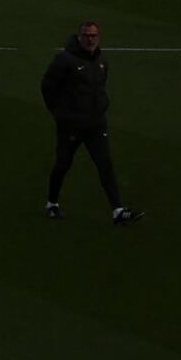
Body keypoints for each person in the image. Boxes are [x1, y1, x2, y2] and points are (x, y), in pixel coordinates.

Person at [41, 21, 131, 221]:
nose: (90, 39)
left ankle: (118, 210)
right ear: (79, 37)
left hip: (96, 123)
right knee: (63, 163)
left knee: (104, 163)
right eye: (86, 35)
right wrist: (59, 114)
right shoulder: (64, 60)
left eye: (93, 35)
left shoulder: (101, 59)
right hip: (72, 124)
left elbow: (100, 86)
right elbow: (48, 87)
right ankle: (52, 203)